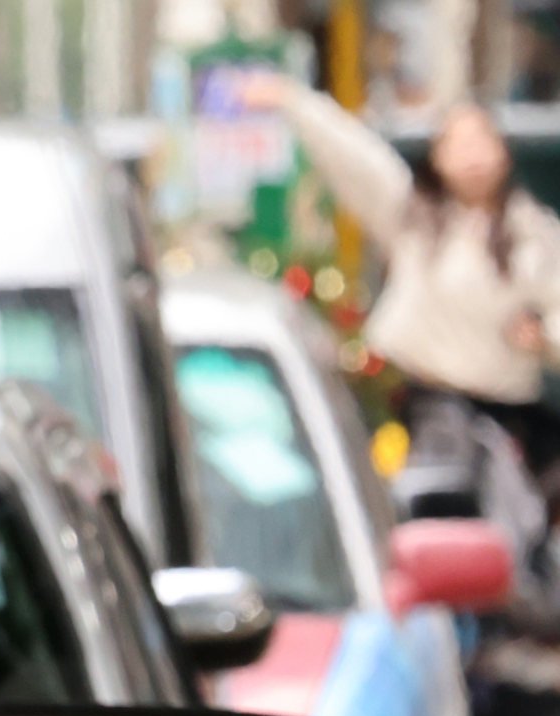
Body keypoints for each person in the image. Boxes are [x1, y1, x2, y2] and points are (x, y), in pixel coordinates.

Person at [231, 73, 560, 471]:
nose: (473, 156)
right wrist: (292, 100)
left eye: (482, 141)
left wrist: (543, 337)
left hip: (506, 419)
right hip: (424, 408)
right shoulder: (413, 220)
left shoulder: (535, 234)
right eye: (460, 143)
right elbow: (357, 158)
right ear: (438, 156)